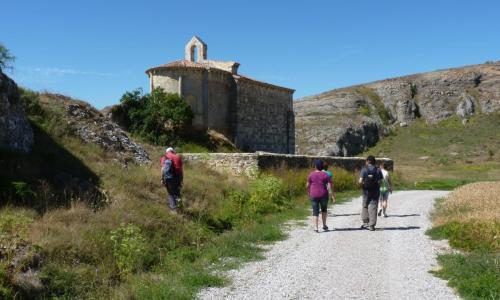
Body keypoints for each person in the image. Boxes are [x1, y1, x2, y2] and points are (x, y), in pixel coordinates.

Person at [307, 159, 336, 232]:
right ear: (322, 166)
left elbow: (307, 185)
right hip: (323, 195)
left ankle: (316, 227)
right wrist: (332, 196)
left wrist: (308, 192)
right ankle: (324, 225)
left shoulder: (311, 174)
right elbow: (329, 186)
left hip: (314, 195)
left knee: (315, 211)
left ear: (315, 166)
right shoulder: (326, 175)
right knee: (324, 210)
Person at [358, 155, 383, 231]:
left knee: (365, 205)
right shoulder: (378, 170)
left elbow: (360, 181)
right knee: (374, 207)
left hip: (366, 191)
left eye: (366, 160)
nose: (365, 162)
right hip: (375, 191)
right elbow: (381, 181)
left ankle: (365, 222)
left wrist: (361, 186)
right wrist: (378, 186)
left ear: (368, 161)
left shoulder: (364, 170)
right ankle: (371, 225)